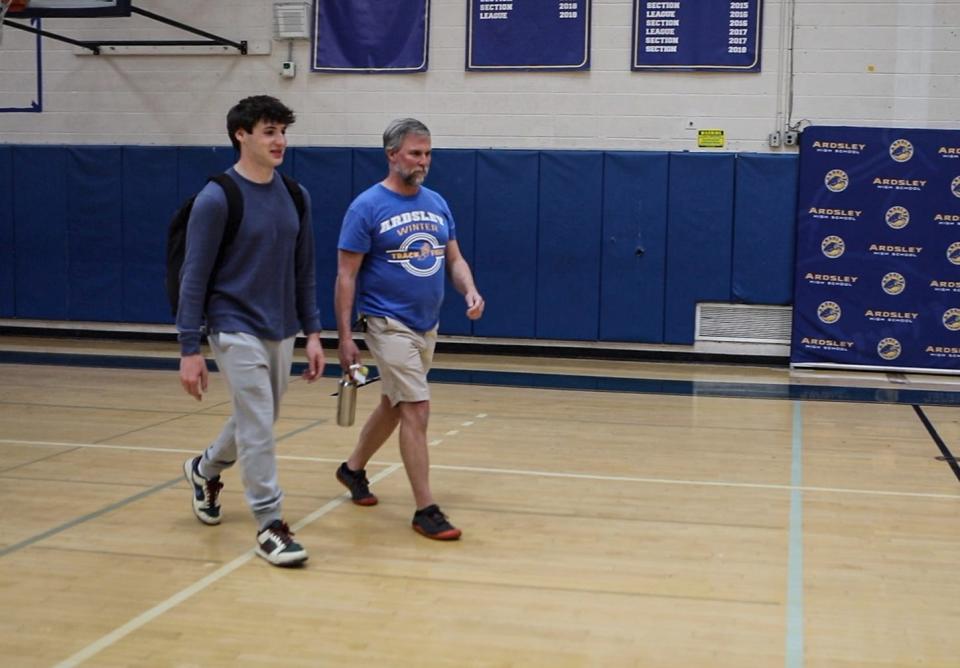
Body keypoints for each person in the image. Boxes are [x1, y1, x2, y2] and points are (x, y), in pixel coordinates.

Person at [177, 95, 325, 567]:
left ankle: (205, 469)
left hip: (280, 326)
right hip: (232, 323)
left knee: (257, 417)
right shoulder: (217, 197)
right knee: (258, 421)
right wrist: (189, 348)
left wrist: (314, 332)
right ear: (241, 135)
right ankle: (270, 525)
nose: (280, 140)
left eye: (283, 131)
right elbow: (194, 275)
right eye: (269, 131)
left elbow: (305, 270)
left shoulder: (297, 195)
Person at [334, 118, 485, 540]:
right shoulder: (366, 206)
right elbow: (346, 276)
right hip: (386, 322)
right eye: (416, 153)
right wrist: (345, 337)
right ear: (392, 155)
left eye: (428, 153)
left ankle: (352, 469)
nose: (424, 161)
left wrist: (469, 289)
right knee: (417, 407)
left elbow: (453, 258)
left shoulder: (437, 203)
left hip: (426, 324)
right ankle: (426, 510)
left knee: (394, 403)